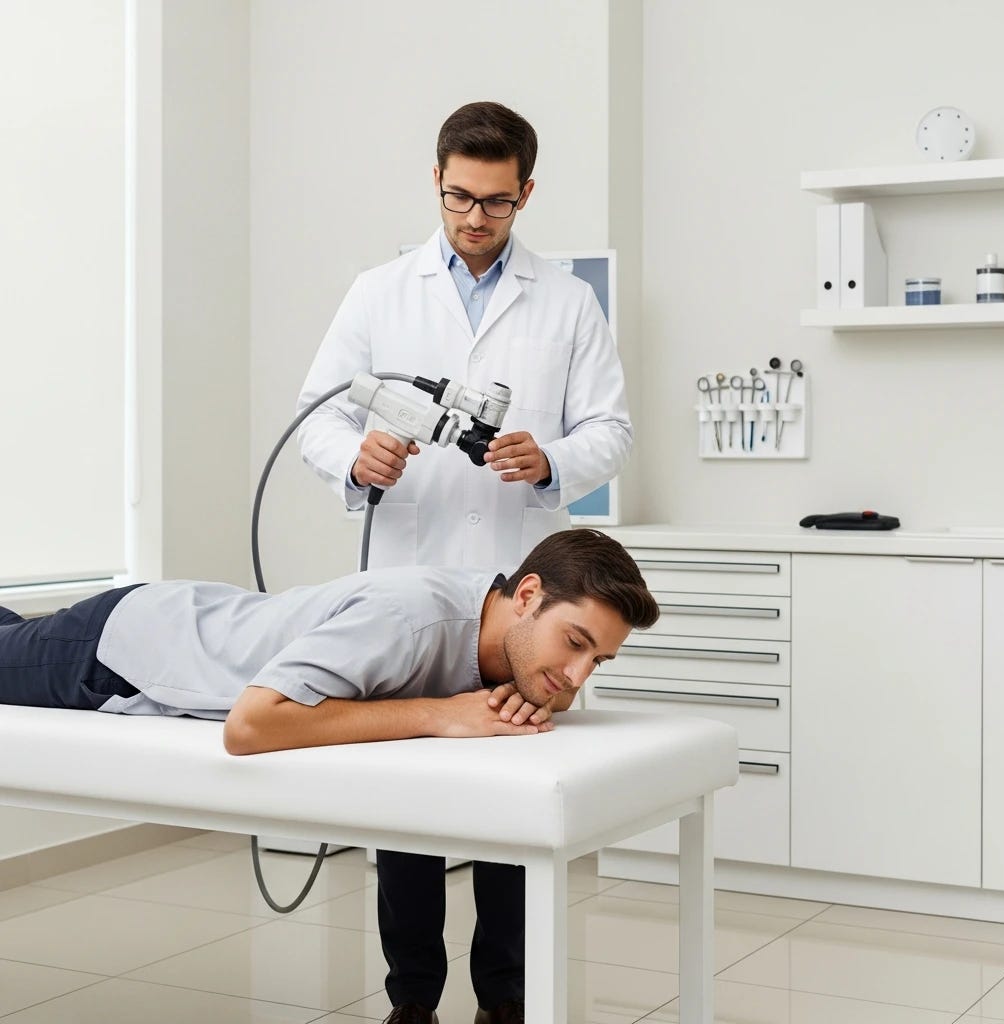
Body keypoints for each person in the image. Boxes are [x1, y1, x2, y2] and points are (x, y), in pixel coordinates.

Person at [0, 529, 659, 1024]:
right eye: (574, 645)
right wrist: (443, 714)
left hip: (199, 615)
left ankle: (484, 1002)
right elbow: (250, 726)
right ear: (527, 596)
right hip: (122, 649)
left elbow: (559, 687)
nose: (577, 677)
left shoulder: (511, 633)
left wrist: (545, 685)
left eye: (597, 660)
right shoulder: (411, 618)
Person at [296, 100, 632, 573]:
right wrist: (356, 459)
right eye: (459, 196)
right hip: (405, 564)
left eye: (497, 202)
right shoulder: (377, 292)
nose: (475, 219)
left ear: (525, 193)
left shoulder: (570, 301)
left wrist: (550, 462)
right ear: (437, 180)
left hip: (522, 571)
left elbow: (611, 431)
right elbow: (317, 416)